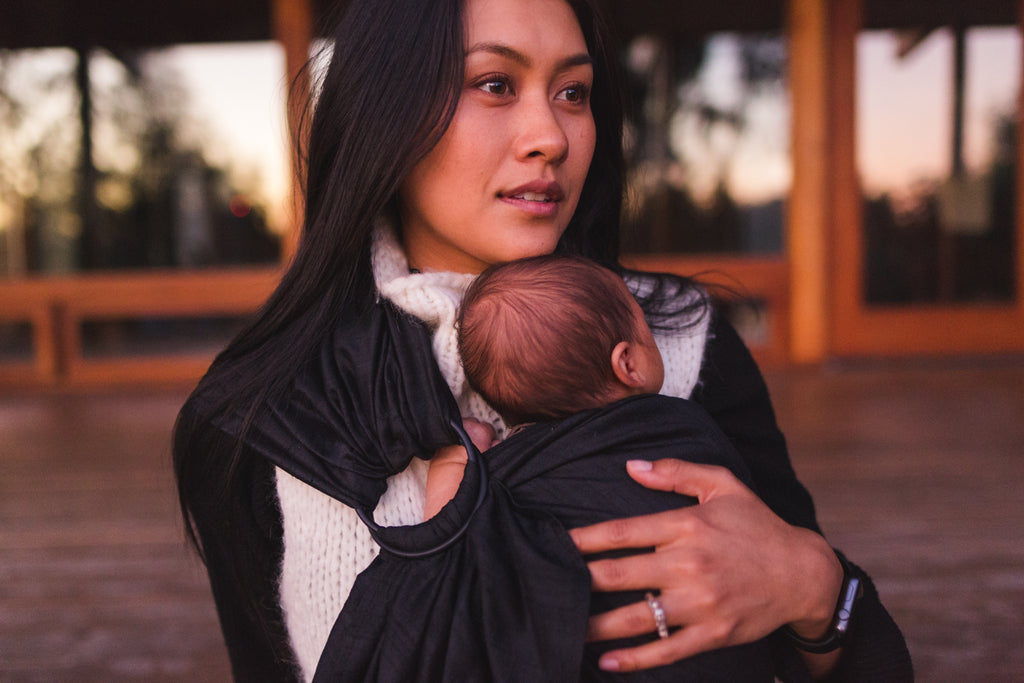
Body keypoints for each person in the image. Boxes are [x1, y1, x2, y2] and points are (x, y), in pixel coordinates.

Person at [173, 0, 913, 681]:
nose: (550, 137)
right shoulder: (262, 420)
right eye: (494, 84)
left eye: (574, 92)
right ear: (386, 111)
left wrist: (817, 588)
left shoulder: (679, 342)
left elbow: (856, 652)